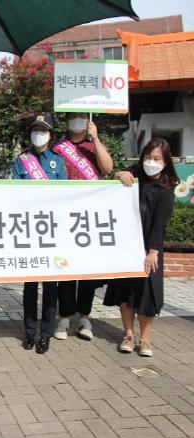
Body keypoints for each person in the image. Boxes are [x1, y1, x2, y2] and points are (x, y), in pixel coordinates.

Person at [104, 137, 179, 357]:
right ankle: (128, 335)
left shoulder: (166, 187)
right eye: (148, 157)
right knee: (126, 292)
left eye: (156, 158)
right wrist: (120, 174)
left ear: (165, 161)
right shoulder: (135, 177)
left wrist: (153, 252)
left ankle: (145, 339)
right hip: (127, 245)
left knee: (147, 294)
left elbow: (160, 223)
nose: (151, 162)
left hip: (149, 249)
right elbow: (114, 184)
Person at [52, 112, 114, 341]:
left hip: (90, 215)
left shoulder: (93, 146)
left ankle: (85, 317)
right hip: (66, 215)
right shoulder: (59, 148)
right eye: (73, 116)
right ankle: (65, 316)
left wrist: (95, 138)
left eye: (81, 116)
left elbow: (108, 168)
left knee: (87, 269)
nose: (77, 120)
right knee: (66, 269)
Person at [12, 113, 67, 354]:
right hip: (29, 228)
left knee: (51, 285)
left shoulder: (57, 161)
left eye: (42, 130)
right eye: (35, 130)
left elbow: (65, 195)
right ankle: (29, 331)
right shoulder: (22, 160)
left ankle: (46, 333)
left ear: (50, 135)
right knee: (31, 284)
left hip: (52, 229)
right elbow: (16, 191)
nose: (38, 134)